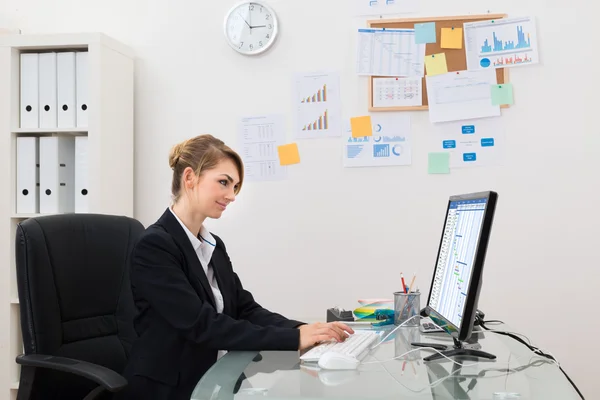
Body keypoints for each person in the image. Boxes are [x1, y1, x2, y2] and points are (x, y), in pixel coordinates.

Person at [117, 134, 354, 400]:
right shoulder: (155, 246)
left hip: (217, 381)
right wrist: (292, 340)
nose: (231, 196)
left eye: (235, 186)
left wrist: (300, 329)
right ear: (189, 178)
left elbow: (244, 309)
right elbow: (203, 326)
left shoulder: (212, 245)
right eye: (223, 182)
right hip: (169, 389)